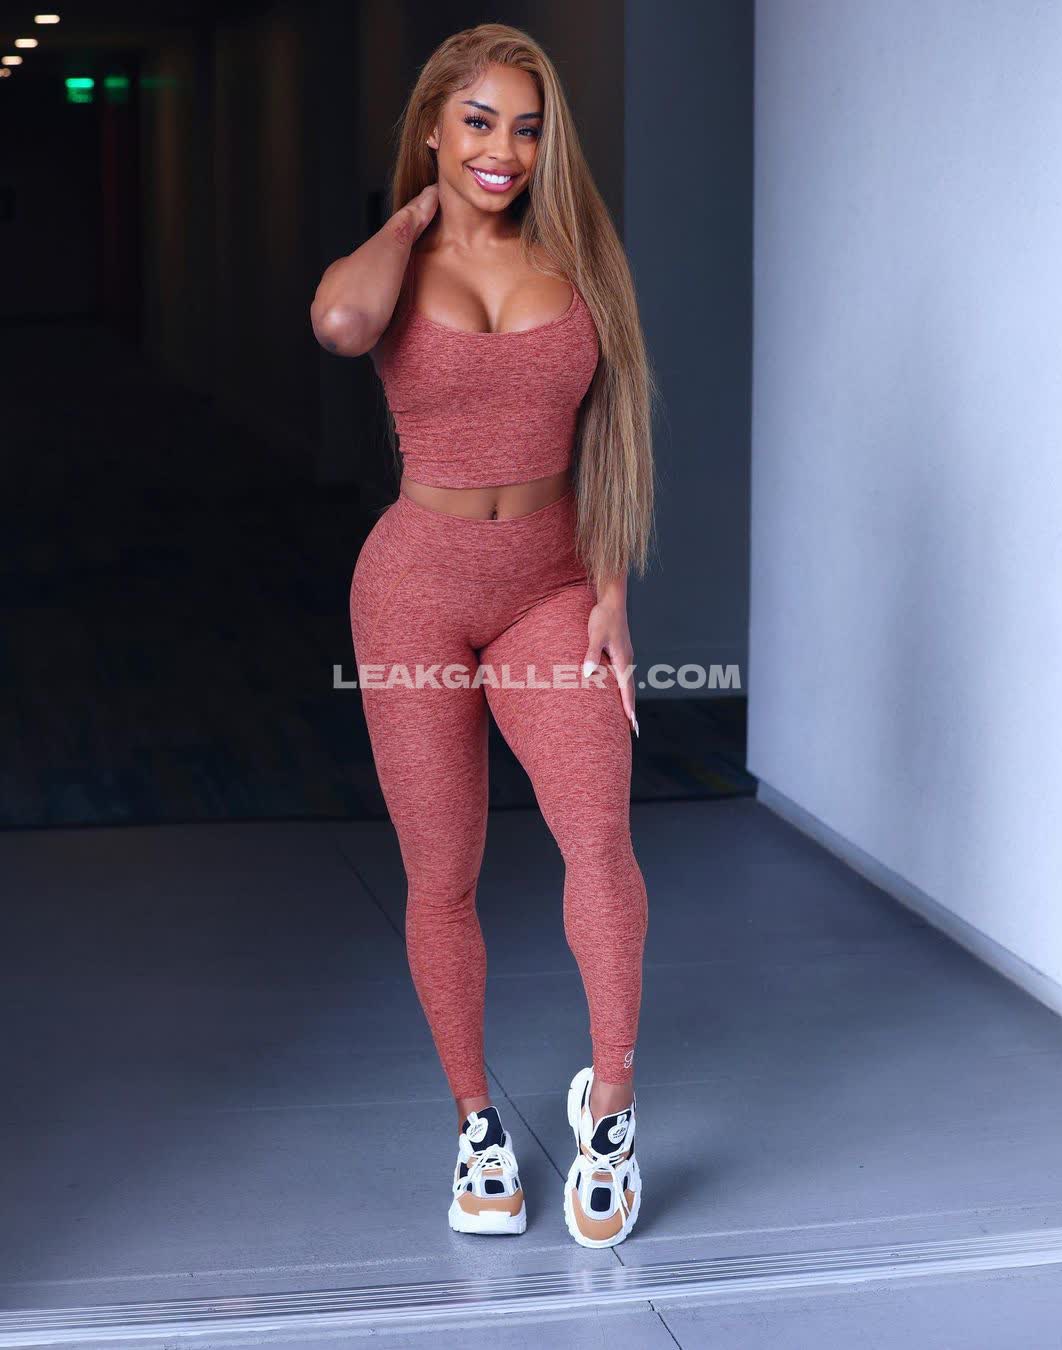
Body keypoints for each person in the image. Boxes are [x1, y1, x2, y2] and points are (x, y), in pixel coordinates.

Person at [310, 22, 657, 1249]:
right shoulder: (395, 268)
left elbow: (612, 430)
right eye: (476, 122)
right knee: (442, 871)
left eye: (525, 127)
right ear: (433, 128)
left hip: (551, 587)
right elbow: (338, 325)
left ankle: (611, 1107)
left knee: (596, 835)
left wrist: (610, 588)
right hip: (415, 589)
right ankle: (474, 1123)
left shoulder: (579, 257)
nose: (502, 149)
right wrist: (417, 212)